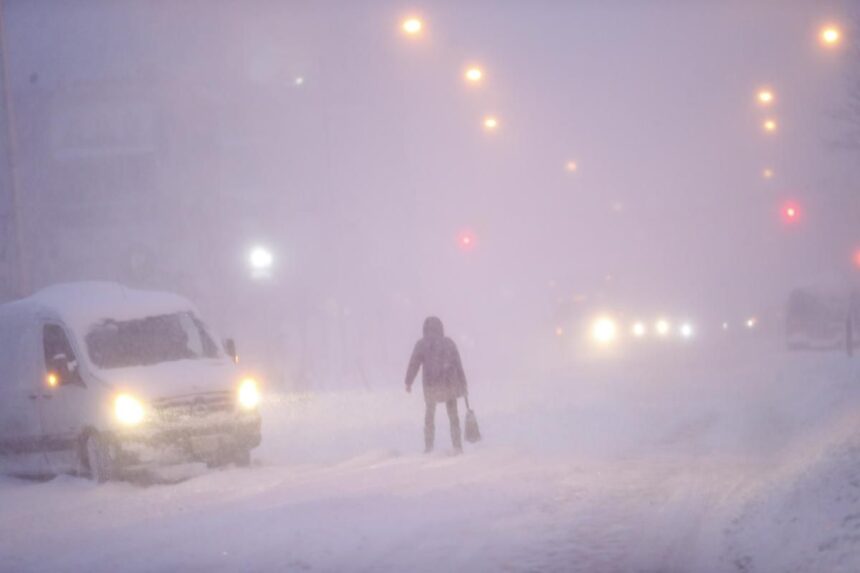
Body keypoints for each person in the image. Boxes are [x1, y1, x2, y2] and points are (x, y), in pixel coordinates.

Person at [404, 316, 468, 453]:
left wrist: (408, 381)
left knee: (429, 416)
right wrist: (463, 384)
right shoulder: (449, 343)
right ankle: (457, 446)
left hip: (431, 386)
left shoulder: (422, 344)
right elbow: (458, 364)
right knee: (453, 416)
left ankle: (429, 447)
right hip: (448, 385)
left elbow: (413, 364)